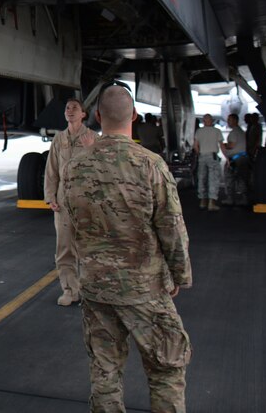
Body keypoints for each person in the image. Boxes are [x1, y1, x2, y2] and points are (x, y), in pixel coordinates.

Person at [63, 83, 192, 413]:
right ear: (134, 116)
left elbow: (74, 222)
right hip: (143, 286)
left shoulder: (75, 166)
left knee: (105, 373)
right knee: (166, 368)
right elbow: (171, 228)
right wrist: (179, 275)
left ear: (96, 116)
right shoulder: (150, 164)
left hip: (95, 286)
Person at [43, 98, 96, 306]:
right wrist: (50, 197)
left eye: (75, 108)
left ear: (84, 114)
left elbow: (101, 170)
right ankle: (70, 291)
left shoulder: (93, 138)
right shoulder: (59, 139)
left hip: (87, 202)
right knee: (64, 249)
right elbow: (51, 170)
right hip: (64, 202)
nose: (70, 110)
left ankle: (89, 291)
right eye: (67, 108)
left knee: (89, 248)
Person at [193, 114, 225, 211]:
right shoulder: (217, 131)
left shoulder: (199, 131)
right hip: (212, 156)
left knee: (202, 178)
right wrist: (227, 158)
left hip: (202, 156)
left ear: (204, 121)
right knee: (213, 179)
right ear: (211, 121)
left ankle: (202, 201)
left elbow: (195, 146)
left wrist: (199, 154)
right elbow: (222, 146)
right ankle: (211, 202)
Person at [222, 113, 249, 206]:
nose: (228, 121)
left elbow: (231, 145)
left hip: (235, 159)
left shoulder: (234, 132)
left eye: (229, 119)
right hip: (242, 158)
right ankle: (244, 198)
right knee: (241, 178)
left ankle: (230, 199)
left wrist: (224, 145)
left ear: (235, 121)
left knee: (229, 178)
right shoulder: (241, 131)